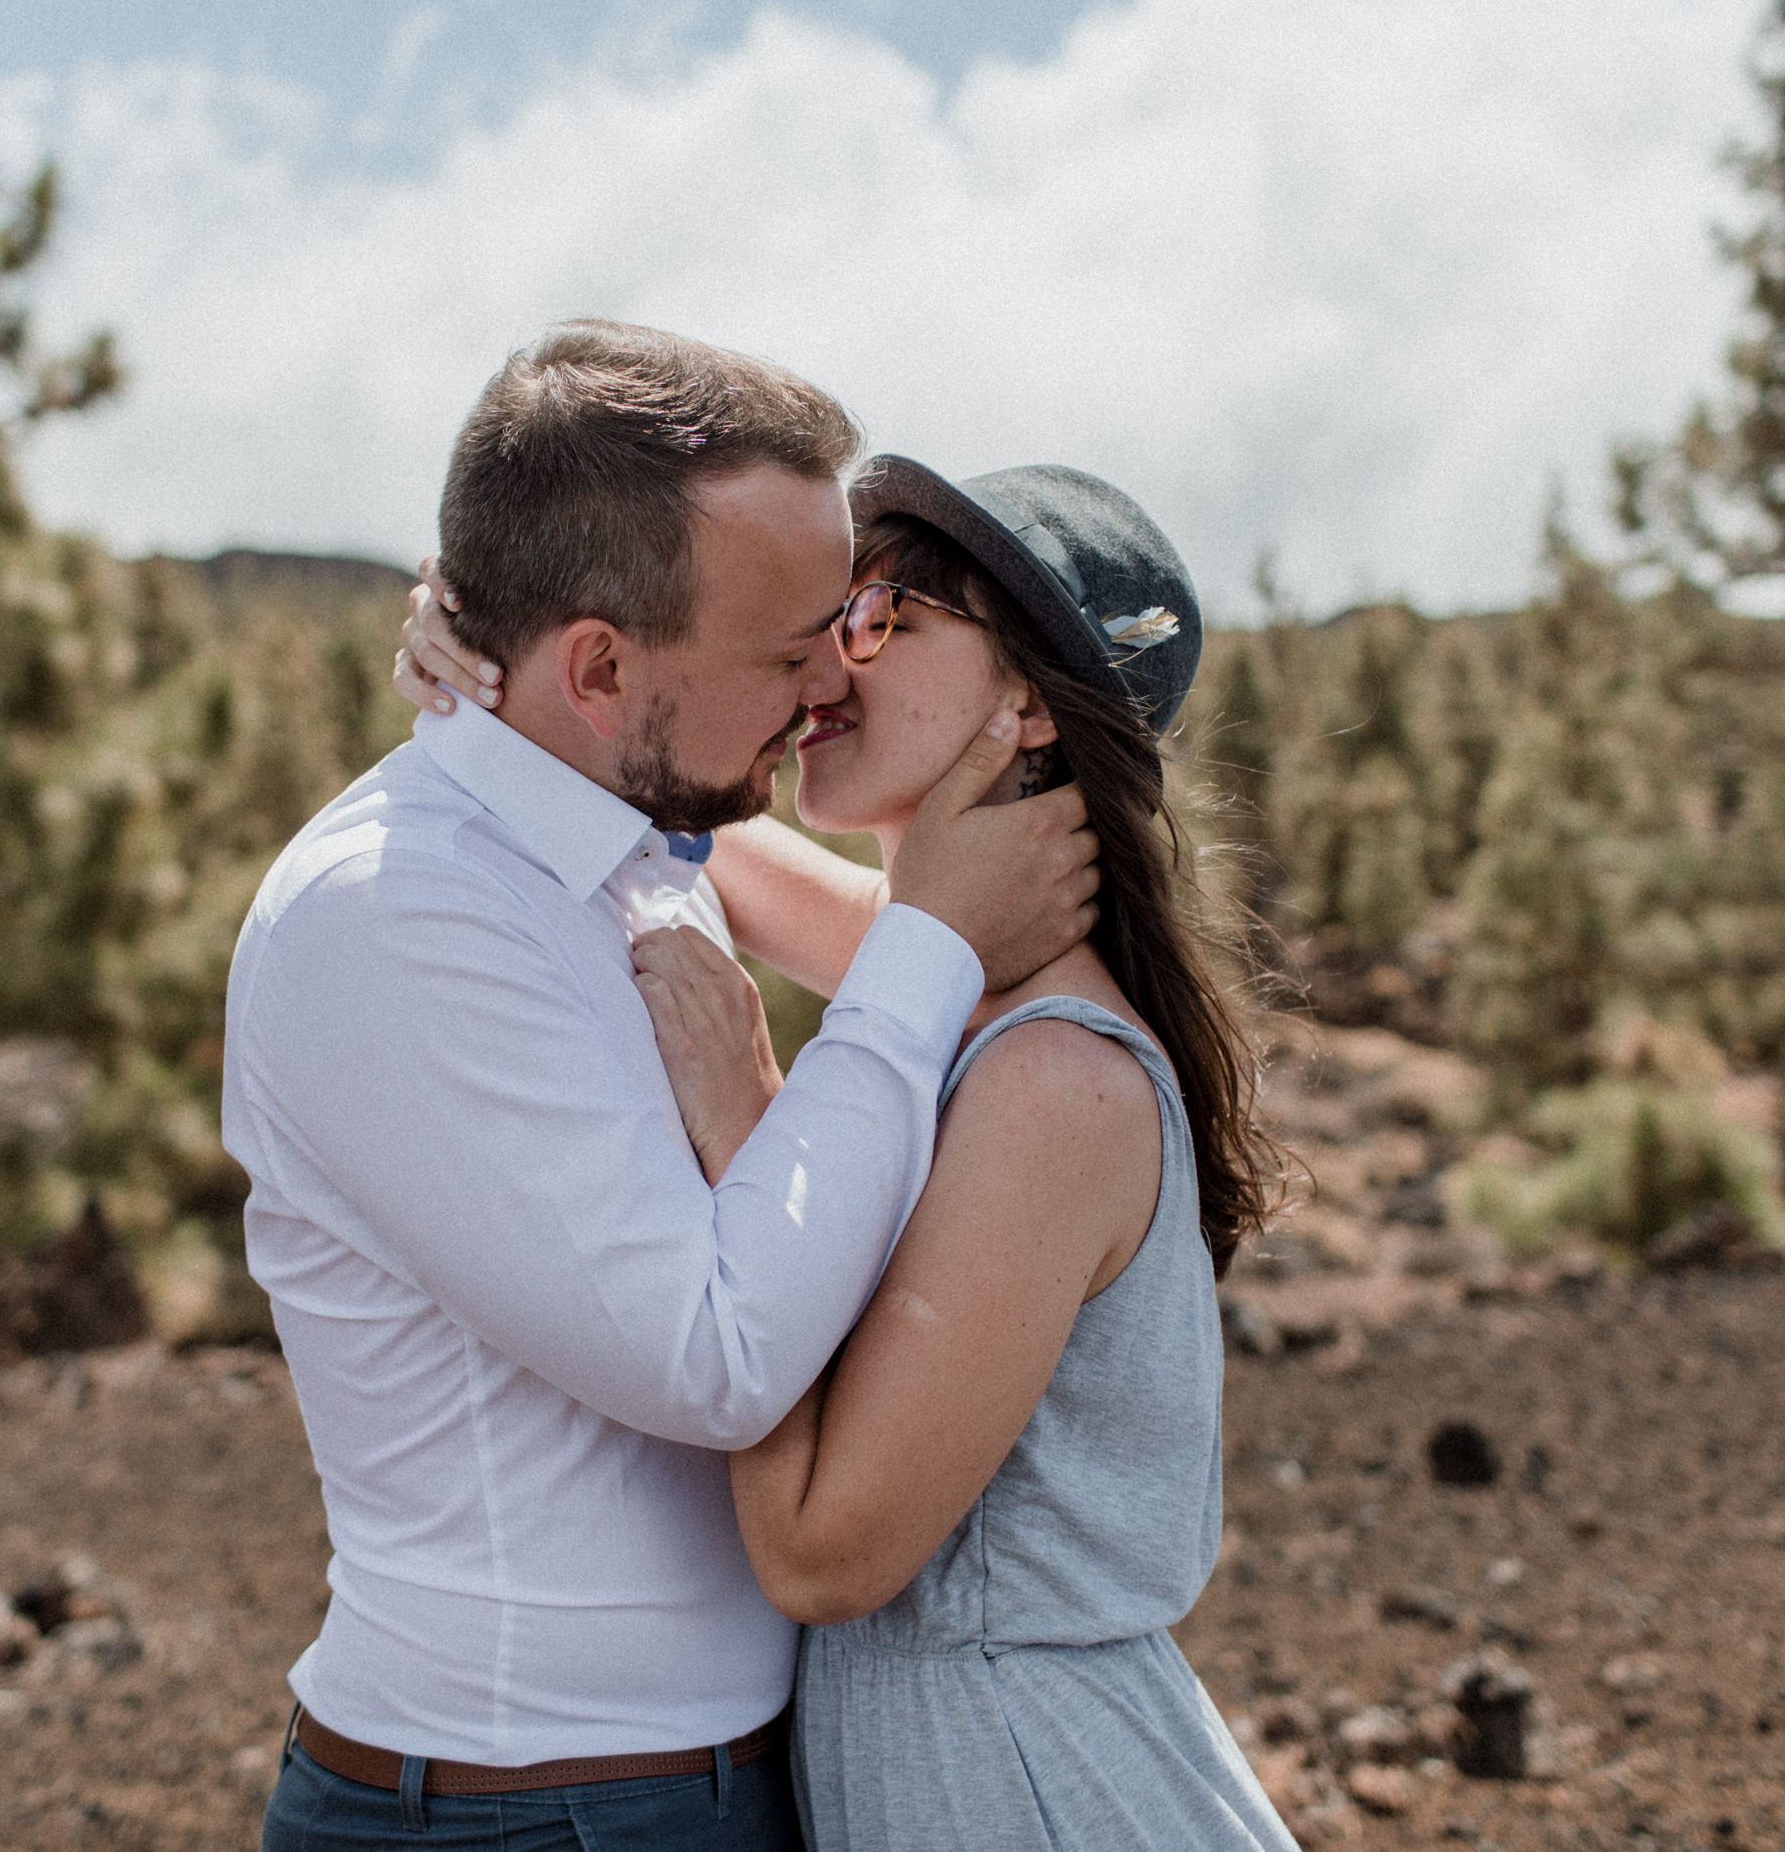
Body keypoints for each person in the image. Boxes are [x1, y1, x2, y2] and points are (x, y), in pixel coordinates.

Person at [228, 322, 1101, 1852]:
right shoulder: (391, 918)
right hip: (528, 1812)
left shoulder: (629, 819)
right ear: (602, 664)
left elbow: (922, 961)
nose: (835, 677)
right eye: (788, 652)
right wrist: (923, 953)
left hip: (679, 1787)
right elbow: (718, 1357)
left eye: (848, 625)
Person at [402, 454, 1302, 1850]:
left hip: (1021, 1786)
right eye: (838, 613)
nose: (831, 662)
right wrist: (498, 669)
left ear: (1023, 708)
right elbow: (688, 830)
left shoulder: (1054, 1080)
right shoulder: (954, 973)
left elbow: (824, 1552)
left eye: (889, 620)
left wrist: (743, 1126)